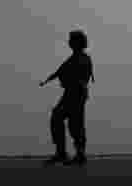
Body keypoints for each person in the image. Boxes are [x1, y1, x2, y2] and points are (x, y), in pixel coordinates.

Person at [40, 30, 94, 166]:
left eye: (71, 40)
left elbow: (81, 77)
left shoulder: (83, 58)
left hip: (76, 94)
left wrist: (68, 81)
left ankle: (75, 154)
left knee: (74, 124)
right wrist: (48, 80)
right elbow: (60, 71)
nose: (69, 42)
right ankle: (63, 153)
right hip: (71, 94)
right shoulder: (75, 58)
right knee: (60, 119)